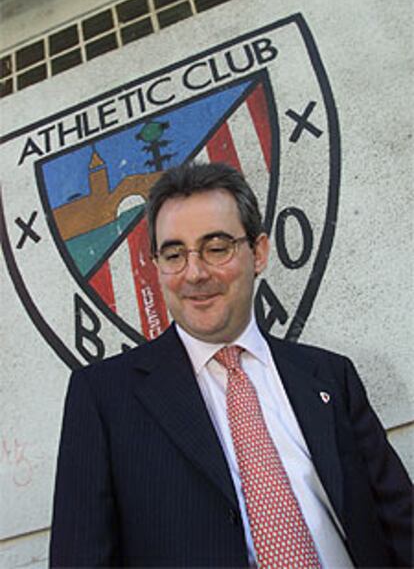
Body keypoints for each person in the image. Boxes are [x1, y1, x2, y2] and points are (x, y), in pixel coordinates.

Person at [50, 162, 412, 568]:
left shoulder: (331, 377)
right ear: (156, 265)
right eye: (173, 254)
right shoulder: (103, 398)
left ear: (258, 252)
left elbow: (401, 525)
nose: (195, 273)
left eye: (216, 247)